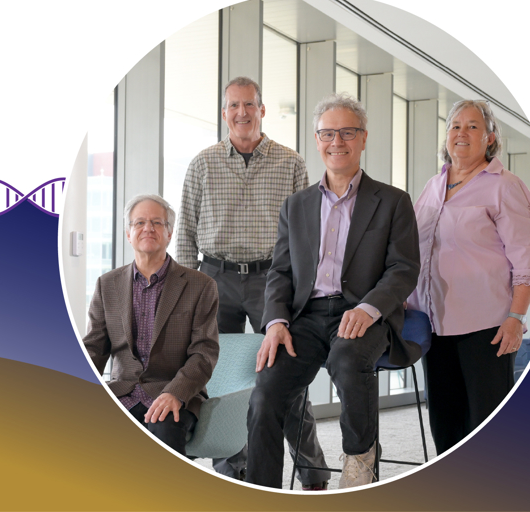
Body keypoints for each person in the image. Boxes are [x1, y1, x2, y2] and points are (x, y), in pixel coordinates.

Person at [246, 93, 421, 489]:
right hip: (305, 317)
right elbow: (281, 272)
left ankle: (359, 461)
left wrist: (369, 309)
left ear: (362, 138)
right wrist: (275, 321)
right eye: (328, 133)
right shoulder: (296, 205)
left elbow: (404, 268)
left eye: (346, 132)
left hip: (364, 313)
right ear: (316, 138)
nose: (336, 142)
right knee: (265, 392)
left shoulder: (393, 201)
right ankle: (262, 488)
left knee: (346, 358)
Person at [175, 76, 330, 488]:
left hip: (271, 282)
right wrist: (186, 292)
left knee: (284, 378)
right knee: (215, 379)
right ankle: (232, 473)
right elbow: (186, 232)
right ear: (224, 113)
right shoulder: (202, 163)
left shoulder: (291, 162)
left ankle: (313, 472)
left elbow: (307, 234)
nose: (241, 112)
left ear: (262, 110)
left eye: (249, 105)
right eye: (233, 106)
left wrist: (302, 290)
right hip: (213, 279)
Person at [407, 100, 530, 455]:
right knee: (445, 421)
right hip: (433, 324)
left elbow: (526, 259)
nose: (461, 133)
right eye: (455, 126)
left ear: (490, 138)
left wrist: (516, 317)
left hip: (486, 326)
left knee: (484, 422)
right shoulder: (433, 185)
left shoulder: (504, 186)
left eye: (472, 126)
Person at [83, 194, 220, 456]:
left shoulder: (200, 285)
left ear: (169, 234)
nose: (148, 228)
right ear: (128, 233)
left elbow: (204, 354)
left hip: (171, 393)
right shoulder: (107, 284)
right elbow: (94, 348)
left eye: (157, 223)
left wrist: (176, 393)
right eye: (140, 223)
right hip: (121, 393)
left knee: (165, 431)